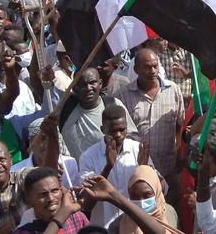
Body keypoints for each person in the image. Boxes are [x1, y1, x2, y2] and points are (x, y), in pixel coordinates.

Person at [114, 48, 185, 180]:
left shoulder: (173, 90)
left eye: (155, 66)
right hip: (135, 168)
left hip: (167, 168)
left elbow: (179, 124)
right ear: (136, 70)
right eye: (147, 67)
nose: (152, 71)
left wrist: (178, 151)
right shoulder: (122, 95)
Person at [77, 104, 153, 228]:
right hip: (103, 227)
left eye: (122, 130)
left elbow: (160, 188)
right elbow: (86, 197)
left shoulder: (138, 150)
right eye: (113, 131)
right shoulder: (88, 156)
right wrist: (108, 166)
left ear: (127, 128)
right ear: (102, 129)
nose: (118, 135)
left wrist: (143, 169)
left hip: (134, 227)